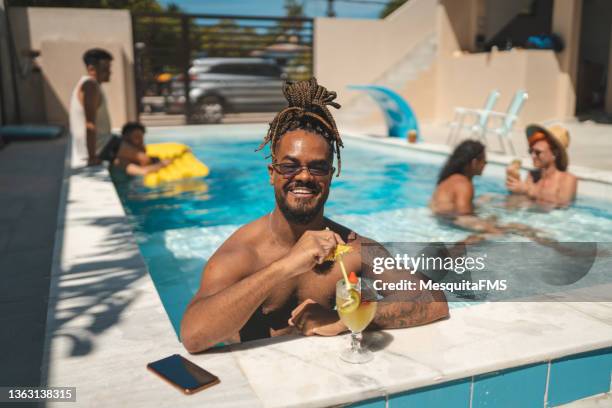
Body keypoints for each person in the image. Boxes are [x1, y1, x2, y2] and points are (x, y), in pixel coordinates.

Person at [181, 78, 449, 353]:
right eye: (290, 166)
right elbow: (193, 335)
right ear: (272, 174)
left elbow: (434, 301)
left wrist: (346, 319)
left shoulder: (351, 247)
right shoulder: (243, 253)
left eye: (318, 168)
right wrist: (285, 266)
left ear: (331, 177)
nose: (305, 176)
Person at [69, 48, 120, 167]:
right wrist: (92, 157)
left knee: (132, 138)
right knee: (142, 156)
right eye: (105, 69)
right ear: (91, 69)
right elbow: (90, 123)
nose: (110, 72)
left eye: (109, 68)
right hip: (100, 148)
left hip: (101, 144)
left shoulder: (89, 84)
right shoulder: (90, 86)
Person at [506, 124, 577, 207]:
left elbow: (562, 203)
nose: (533, 156)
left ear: (555, 153)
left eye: (538, 152)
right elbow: (520, 201)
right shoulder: (532, 175)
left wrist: (527, 190)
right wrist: (513, 182)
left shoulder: (567, 179)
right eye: (531, 151)